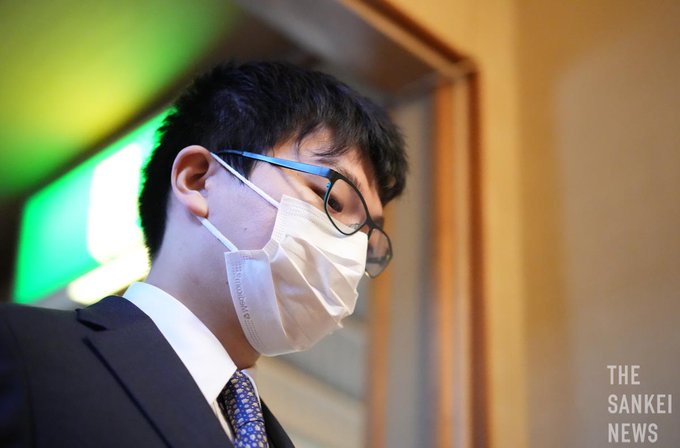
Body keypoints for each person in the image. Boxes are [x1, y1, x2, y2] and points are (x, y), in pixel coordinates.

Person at [0, 61, 408, 447]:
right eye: (332, 201)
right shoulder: (23, 352)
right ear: (197, 180)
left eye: (365, 235)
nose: (351, 250)